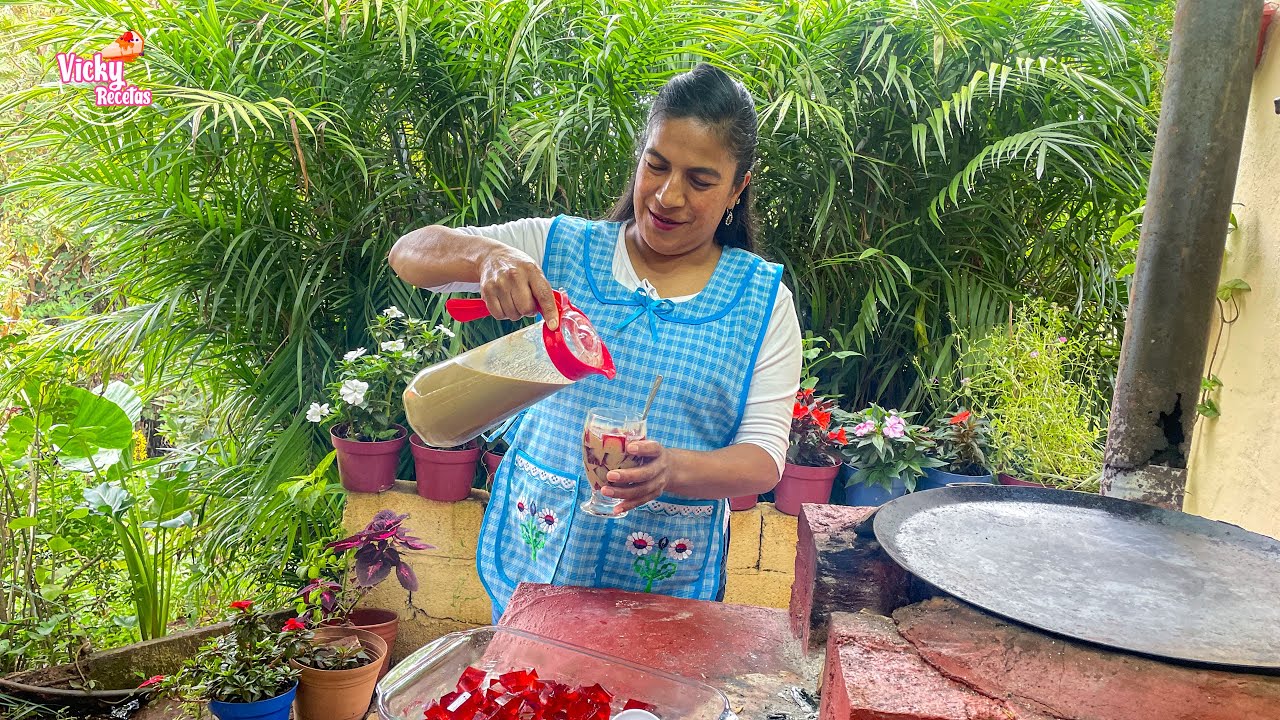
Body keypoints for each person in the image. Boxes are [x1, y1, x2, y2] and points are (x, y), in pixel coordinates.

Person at [389, 63, 802, 620]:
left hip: (662, 579)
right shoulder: (559, 247)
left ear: (738, 187)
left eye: (700, 181)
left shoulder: (761, 301)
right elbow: (411, 252)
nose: (668, 195)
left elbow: (764, 459)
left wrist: (671, 470)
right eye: (656, 166)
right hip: (539, 554)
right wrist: (488, 256)